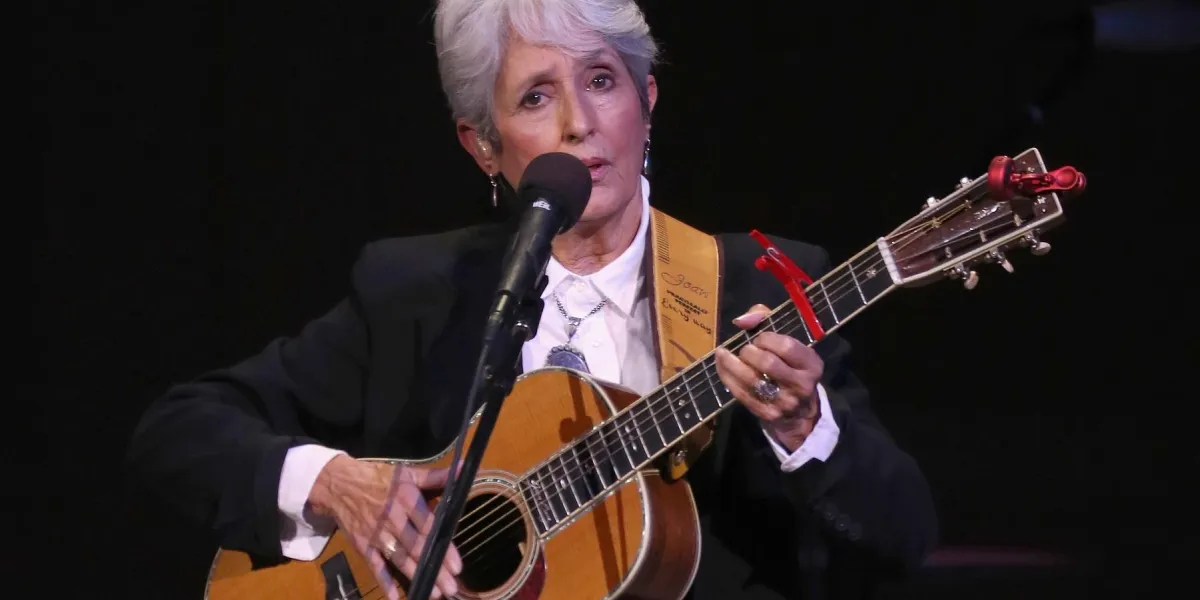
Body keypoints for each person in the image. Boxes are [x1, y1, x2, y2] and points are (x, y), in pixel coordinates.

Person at [126, 1, 938, 598]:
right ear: (482, 144)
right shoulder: (419, 291)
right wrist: (340, 483)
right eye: (536, 98)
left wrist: (809, 430)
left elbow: (902, 539)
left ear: (647, 103)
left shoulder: (756, 288)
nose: (581, 124)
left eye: (601, 80)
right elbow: (180, 428)